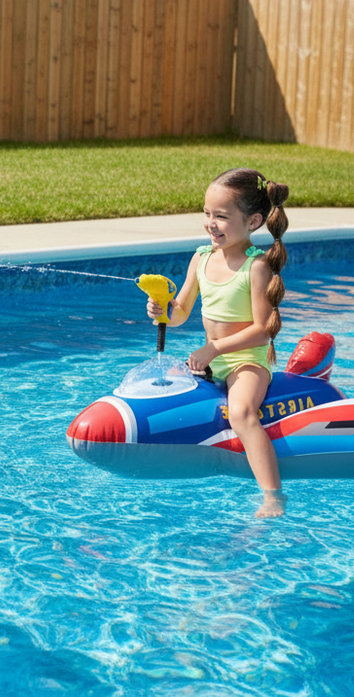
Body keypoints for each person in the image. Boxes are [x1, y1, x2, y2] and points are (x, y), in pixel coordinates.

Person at [147, 168, 290, 518]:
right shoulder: (201, 258)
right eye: (207, 214)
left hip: (246, 363)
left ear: (253, 220)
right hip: (211, 363)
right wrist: (162, 310)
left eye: (222, 216)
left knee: (241, 413)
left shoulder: (256, 268)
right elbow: (180, 311)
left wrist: (214, 349)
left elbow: (263, 329)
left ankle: (273, 496)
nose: (211, 223)